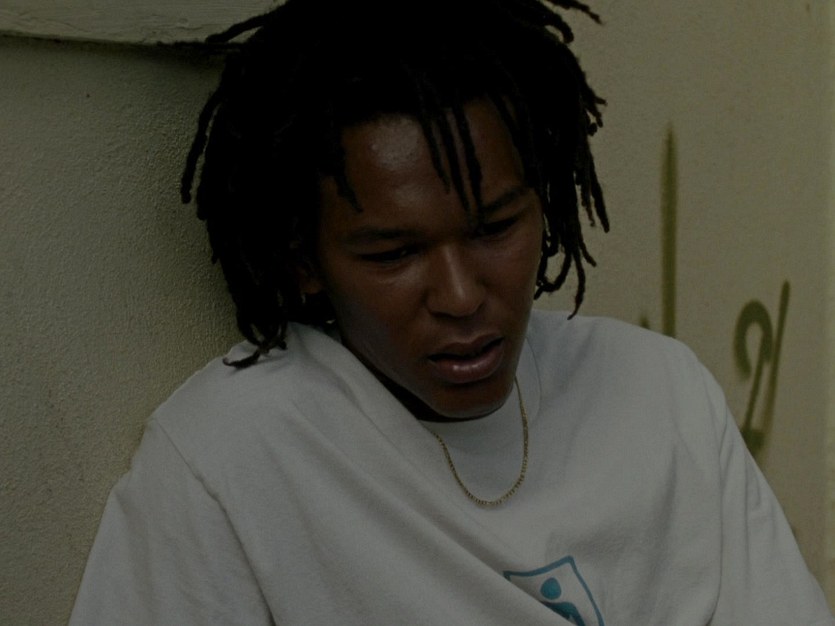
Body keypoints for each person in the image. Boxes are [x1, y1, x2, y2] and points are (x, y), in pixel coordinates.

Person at [70, 0, 833, 624]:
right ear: (303, 261)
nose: (460, 295)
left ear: (544, 205)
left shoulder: (658, 392)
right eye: (392, 254)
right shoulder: (232, 461)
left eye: (494, 228)